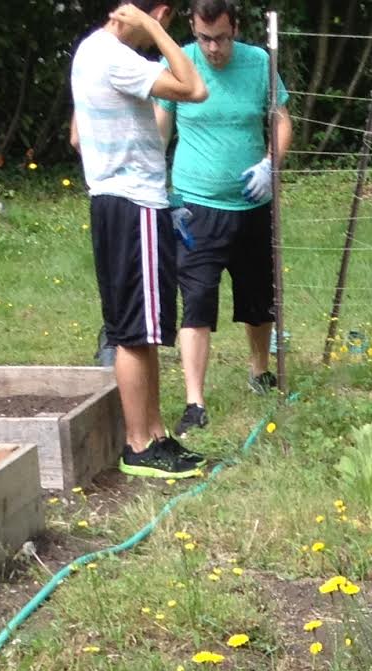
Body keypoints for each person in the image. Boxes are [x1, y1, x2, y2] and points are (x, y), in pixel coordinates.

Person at [71, 2, 210, 479]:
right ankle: (138, 444)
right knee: (135, 330)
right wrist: (153, 27)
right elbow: (194, 87)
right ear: (162, 12)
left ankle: (153, 435)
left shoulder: (89, 51)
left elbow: (76, 136)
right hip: (134, 205)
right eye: (162, 22)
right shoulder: (116, 56)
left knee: (145, 329)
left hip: (116, 203)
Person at [160, 0, 291, 434]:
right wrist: (160, 187)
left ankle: (259, 372)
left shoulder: (259, 64)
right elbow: (160, 126)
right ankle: (194, 401)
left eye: (221, 37)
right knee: (196, 299)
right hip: (195, 206)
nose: (213, 48)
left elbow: (281, 119)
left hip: (253, 205)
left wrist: (271, 164)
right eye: (204, 38)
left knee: (258, 298)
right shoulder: (179, 63)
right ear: (194, 31)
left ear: (235, 28)